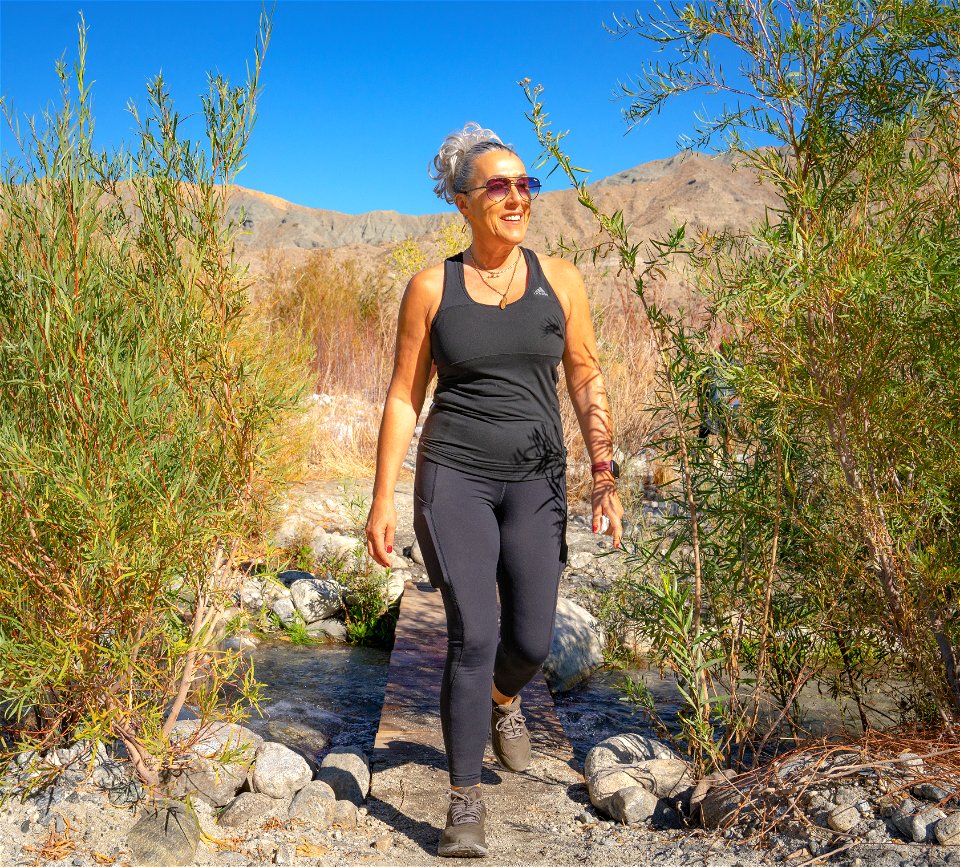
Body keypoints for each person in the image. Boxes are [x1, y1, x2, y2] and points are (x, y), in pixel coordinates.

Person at [365, 122, 623, 859]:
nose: (517, 197)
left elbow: (585, 376)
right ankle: (462, 801)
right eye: (499, 186)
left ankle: (507, 700)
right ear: (461, 200)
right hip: (456, 477)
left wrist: (603, 473)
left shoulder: (561, 278)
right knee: (474, 633)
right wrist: (382, 498)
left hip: (539, 479)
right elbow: (403, 398)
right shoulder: (431, 287)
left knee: (533, 638)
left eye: (525, 184)